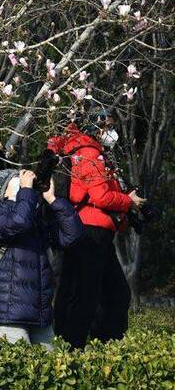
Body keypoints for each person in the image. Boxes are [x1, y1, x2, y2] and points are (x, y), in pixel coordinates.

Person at [49, 108, 145, 349]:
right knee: (93, 295)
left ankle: (89, 346)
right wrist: (128, 202)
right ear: (93, 127)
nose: (110, 132)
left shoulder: (85, 151)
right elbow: (101, 196)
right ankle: (82, 347)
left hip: (92, 230)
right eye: (106, 126)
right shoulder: (89, 153)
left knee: (105, 293)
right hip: (92, 232)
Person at [0, 168, 83, 347]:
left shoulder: (36, 220)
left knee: (51, 370)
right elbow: (18, 221)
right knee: (18, 371)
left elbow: (72, 235)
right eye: (19, 181)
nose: (26, 184)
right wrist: (27, 191)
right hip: (8, 313)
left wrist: (52, 199)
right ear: (3, 190)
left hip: (39, 314)